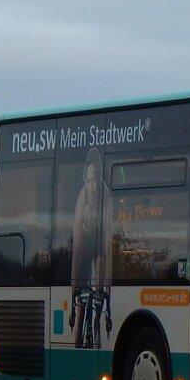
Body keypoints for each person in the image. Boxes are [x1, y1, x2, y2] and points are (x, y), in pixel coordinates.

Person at [70, 148, 112, 348]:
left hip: (99, 246)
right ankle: (78, 340)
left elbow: (108, 248)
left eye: (95, 180)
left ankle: (95, 325)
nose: (92, 186)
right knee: (80, 309)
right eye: (88, 181)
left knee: (98, 295)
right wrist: (73, 296)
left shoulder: (106, 198)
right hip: (85, 244)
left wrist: (107, 296)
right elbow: (77, 249)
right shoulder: (80, 200)